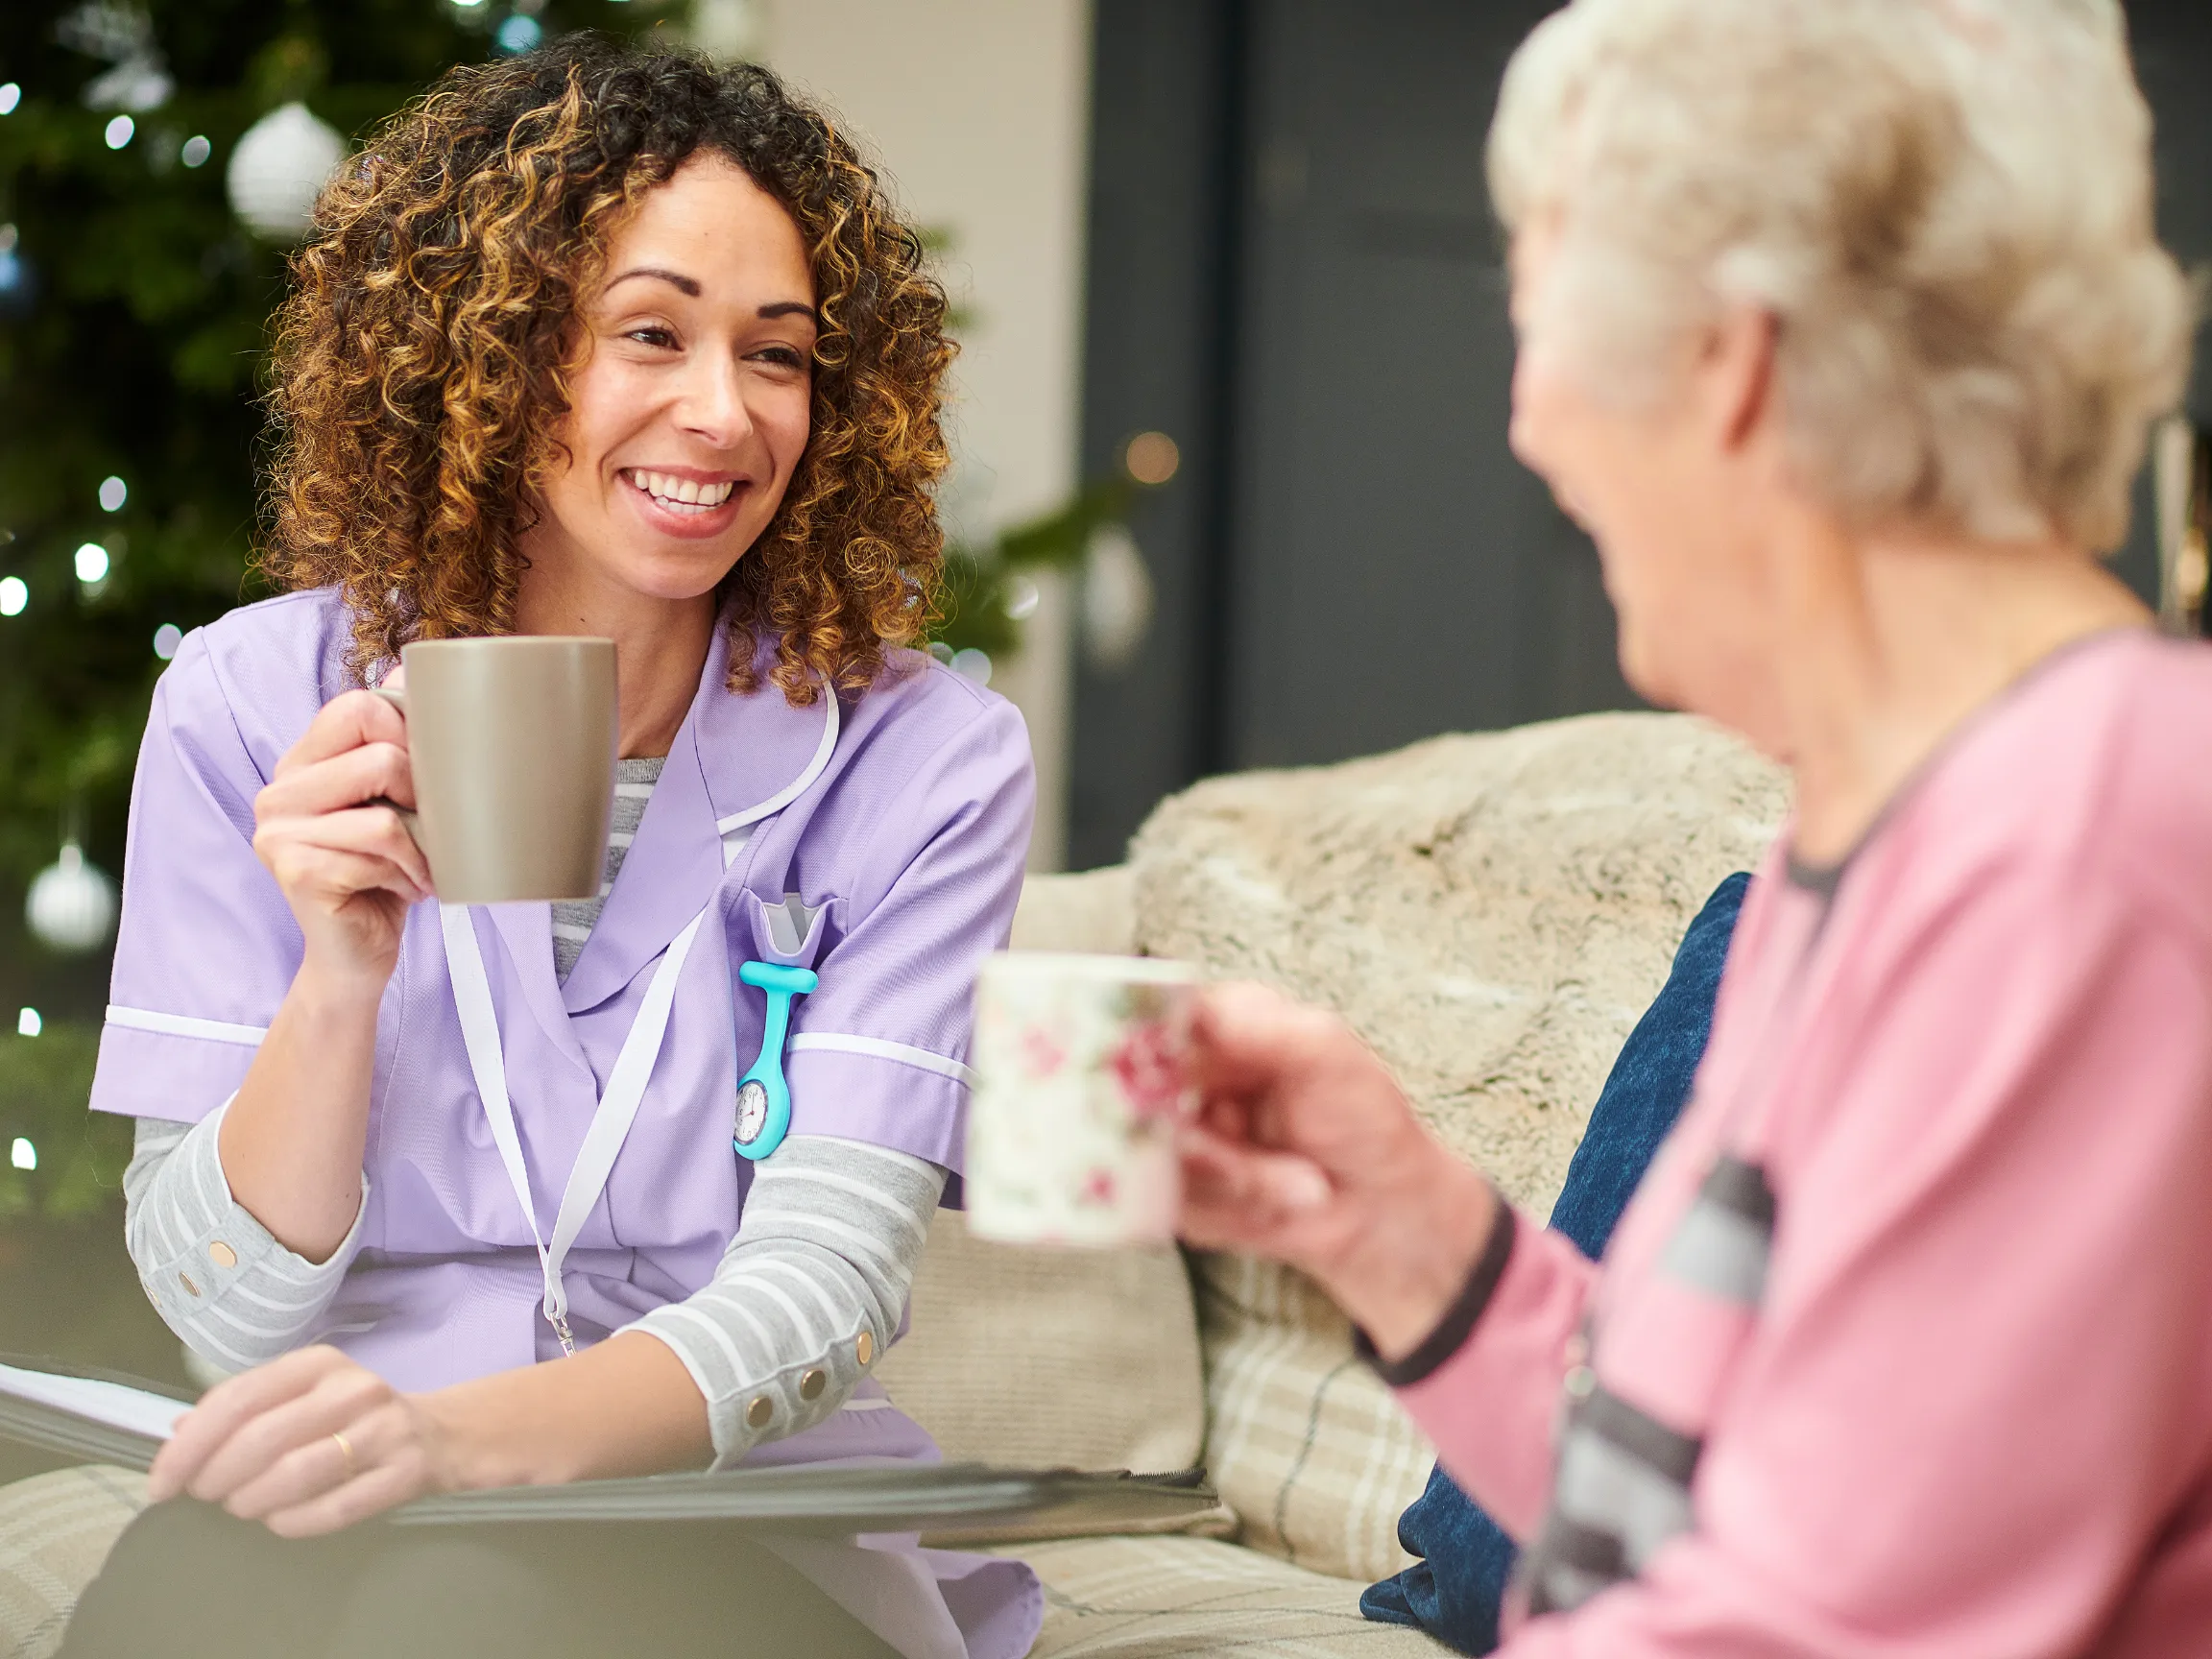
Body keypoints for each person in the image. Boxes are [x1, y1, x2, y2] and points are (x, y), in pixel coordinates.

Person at [1177, 1, 2212, 1653]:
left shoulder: (2083, 853)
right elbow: (1686, 1514)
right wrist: (1410, 1236)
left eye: (1542, 317)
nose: (1526, 419)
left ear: (1733, 362)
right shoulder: (1868, 835)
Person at [62, 37, 1040, 1659]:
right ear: (494, 357)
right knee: (172, 1608)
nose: (722, 416)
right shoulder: (252, 701)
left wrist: (453, 1450)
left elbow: (828, 1290)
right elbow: (220, 1307)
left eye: (779, 357)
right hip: (343, 1486)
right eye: (648, 334)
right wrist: (336, 977)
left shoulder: (924, 760)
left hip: (732, 1522)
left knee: (467, 1600)